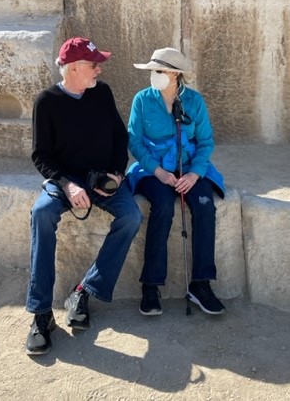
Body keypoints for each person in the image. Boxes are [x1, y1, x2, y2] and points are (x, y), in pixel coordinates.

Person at [25, 36, 142, 355]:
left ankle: (85, 290)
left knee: (131, 216)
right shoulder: (46, 101)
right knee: (41, 214)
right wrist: (67, 185)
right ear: (74, 68)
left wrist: (117, 173)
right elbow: (40, 156)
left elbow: (120, 136)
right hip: (66, 183)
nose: (99, 70)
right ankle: (41, 314)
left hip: (102, 180)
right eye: (94, 65)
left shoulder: (101, 93)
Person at [126, 47, 226, 317]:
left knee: (205, 204)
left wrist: (194, 174)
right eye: (152, 70)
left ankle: (201, 284)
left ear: (176, 74)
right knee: (163, 205)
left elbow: (205, 141)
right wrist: (158, 172)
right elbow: (134, 140)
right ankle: (151, 286)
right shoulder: (142, 100)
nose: (153, 75)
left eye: (159, 70)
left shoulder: (193, 101)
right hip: (154, 168)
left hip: (189, 166)